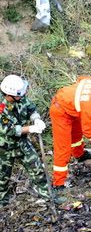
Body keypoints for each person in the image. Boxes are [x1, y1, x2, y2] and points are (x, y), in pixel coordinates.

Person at [0, 75, 50, 207]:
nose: (23, 95)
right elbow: (8, 130)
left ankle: (49, 197)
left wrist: (36, 119)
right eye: (19, 94)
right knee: (2, 178)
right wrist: (31, 128)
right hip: (4, 148)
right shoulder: (1, 108)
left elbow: (31, 109)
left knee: (38, 169)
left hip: (22, 144)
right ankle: (2, 202)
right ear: (9, 95)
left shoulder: (20, 98)